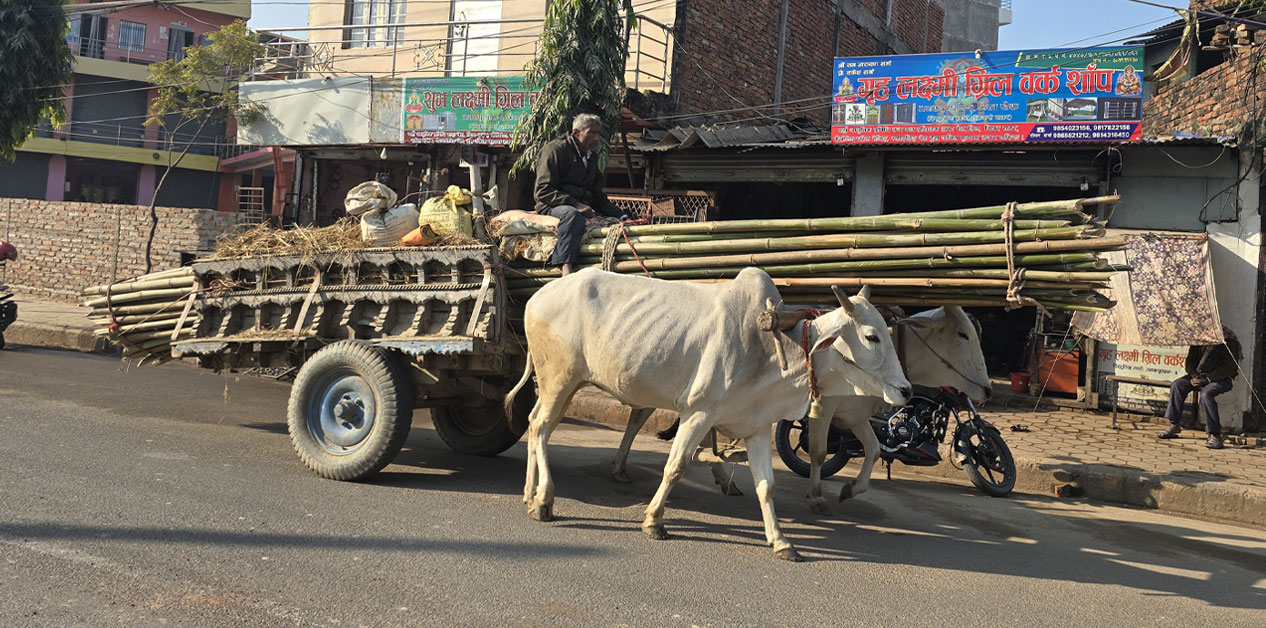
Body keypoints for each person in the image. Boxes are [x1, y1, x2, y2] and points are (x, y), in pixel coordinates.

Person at [534, 113, 628, 275]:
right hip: (552, 205)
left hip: (581, 206)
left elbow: (597, 197)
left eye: (598, 133)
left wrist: (623, 216)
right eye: (591, 132)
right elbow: (543, 190)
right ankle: (565, 266)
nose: (597, 138)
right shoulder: (556, 150)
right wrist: (576, 205)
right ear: (576, 133)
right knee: (572, 215)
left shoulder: (592, 157)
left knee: (615, 222)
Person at [1158, 327, 1242, 449]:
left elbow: (1230, 367)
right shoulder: (1199, 338)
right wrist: (1193, 376)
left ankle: (1214, 435)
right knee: (1177, 385)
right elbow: (1190, 362)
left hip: (1220, 379)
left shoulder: (1228, 340)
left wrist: (1207, 379)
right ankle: (1174, 425)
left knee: (1206, 395)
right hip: (1198, 376)